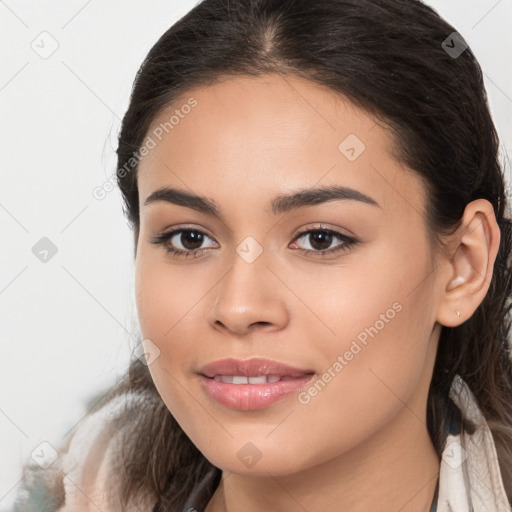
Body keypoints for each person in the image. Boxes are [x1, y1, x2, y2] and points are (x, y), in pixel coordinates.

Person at [13, 0, 512, 510]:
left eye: (321, 239)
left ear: (463, 266)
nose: (239, 307)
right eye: (189, 238)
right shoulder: (68, 489)